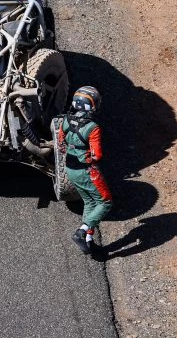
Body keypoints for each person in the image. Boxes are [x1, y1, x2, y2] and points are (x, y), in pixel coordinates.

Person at [57, 86, 113, 254]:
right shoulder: (93, 127)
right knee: (105, 202)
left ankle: (88, 240)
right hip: (86, 170)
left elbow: (61, 143)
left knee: (89, 202)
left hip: (70, 169)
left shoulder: (65, 120)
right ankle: (82, 231)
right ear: (92, 105)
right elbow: (97, 155)